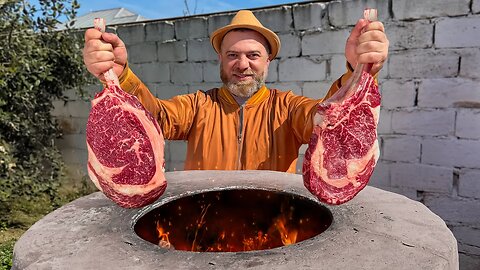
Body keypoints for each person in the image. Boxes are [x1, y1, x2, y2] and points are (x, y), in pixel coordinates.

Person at [83, 10, 389, 173]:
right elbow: (154, 118)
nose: (242, 64)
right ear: (221, 59)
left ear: (268, 61)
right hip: (202, 225)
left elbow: (327, 122)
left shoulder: (287, 107)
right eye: (232, 55)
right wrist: (120, 76)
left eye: (253, 55)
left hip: (275, 225)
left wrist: (356, 71)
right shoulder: (199, 105)